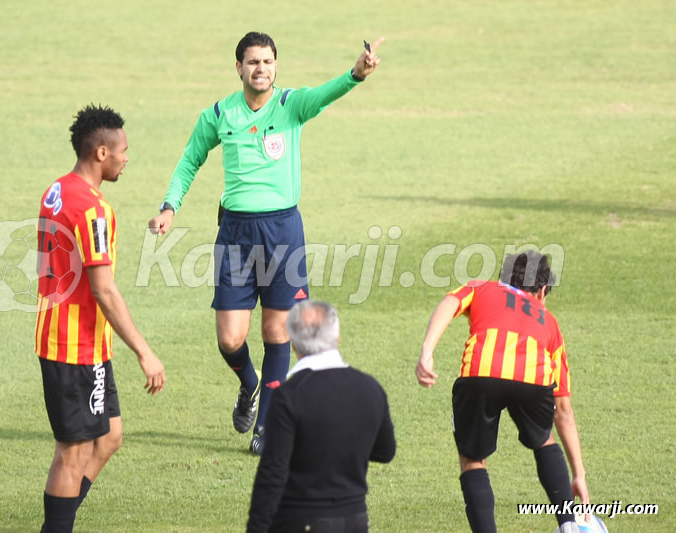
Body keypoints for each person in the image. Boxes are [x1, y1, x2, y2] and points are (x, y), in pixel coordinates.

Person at [148, 31, 385, 454]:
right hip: (236, 234)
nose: (262, 69)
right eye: (253, 62)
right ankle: (250, 384)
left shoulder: (291, 105)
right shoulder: (219, 114)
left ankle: (267, 426)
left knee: (278, 332)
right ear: (238, 67)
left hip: (283, 232)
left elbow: (327, 93)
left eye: (268, 62)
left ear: (276, 66)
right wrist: (170, 206)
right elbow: (190, 159)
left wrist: (356, 74)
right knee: (229, 339)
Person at [35, 104, 166, 532]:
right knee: (70, 455)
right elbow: (103, 289)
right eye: (124, 150)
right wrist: (145, 352)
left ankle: (61, 521)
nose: (128, 157)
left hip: (80, 342)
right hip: (73, 347)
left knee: (109, 437)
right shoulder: (94, 210)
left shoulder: (56, 190)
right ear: (102, 153)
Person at [415, 251, 589, 533]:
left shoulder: (482, 286)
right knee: (544, 439)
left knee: (473, 460)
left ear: (504, 278)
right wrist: (578, 473)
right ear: (542, 290)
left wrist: (427, 351)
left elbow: (450, 301)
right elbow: (564, 411)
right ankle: (568, 525)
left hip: (480, 375)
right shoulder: (551, 323)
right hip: (532, 381)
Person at [247, 300, 396, 532]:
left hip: (301, 519)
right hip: (355, 519)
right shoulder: (370, 388)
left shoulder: (288, 395)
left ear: (293, 343)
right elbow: (385, 452)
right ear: (337, 338)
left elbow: (272, 473)